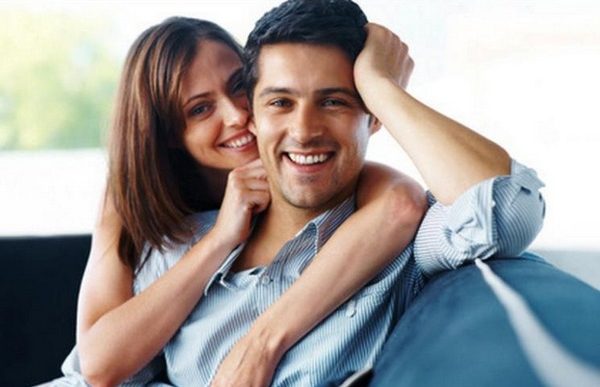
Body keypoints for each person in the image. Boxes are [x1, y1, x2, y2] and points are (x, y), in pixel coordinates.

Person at [116, 0, 545, 386]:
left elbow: (506, 210)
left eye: (334, 102)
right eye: (280, 103)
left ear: (373, 117)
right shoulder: (182, 243)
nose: (304, 132)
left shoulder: (405, 243)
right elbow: (101, 375)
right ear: (253, 118)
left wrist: (381, 87)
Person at [52, 15, 428, 387]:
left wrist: (261, 343)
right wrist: (221, 237)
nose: (236, 114)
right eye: (200, 109)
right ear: (167, 134)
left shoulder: (316, 171)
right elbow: (98, 366)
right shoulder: (135, 201)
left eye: (238, 87)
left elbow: (399, 201)